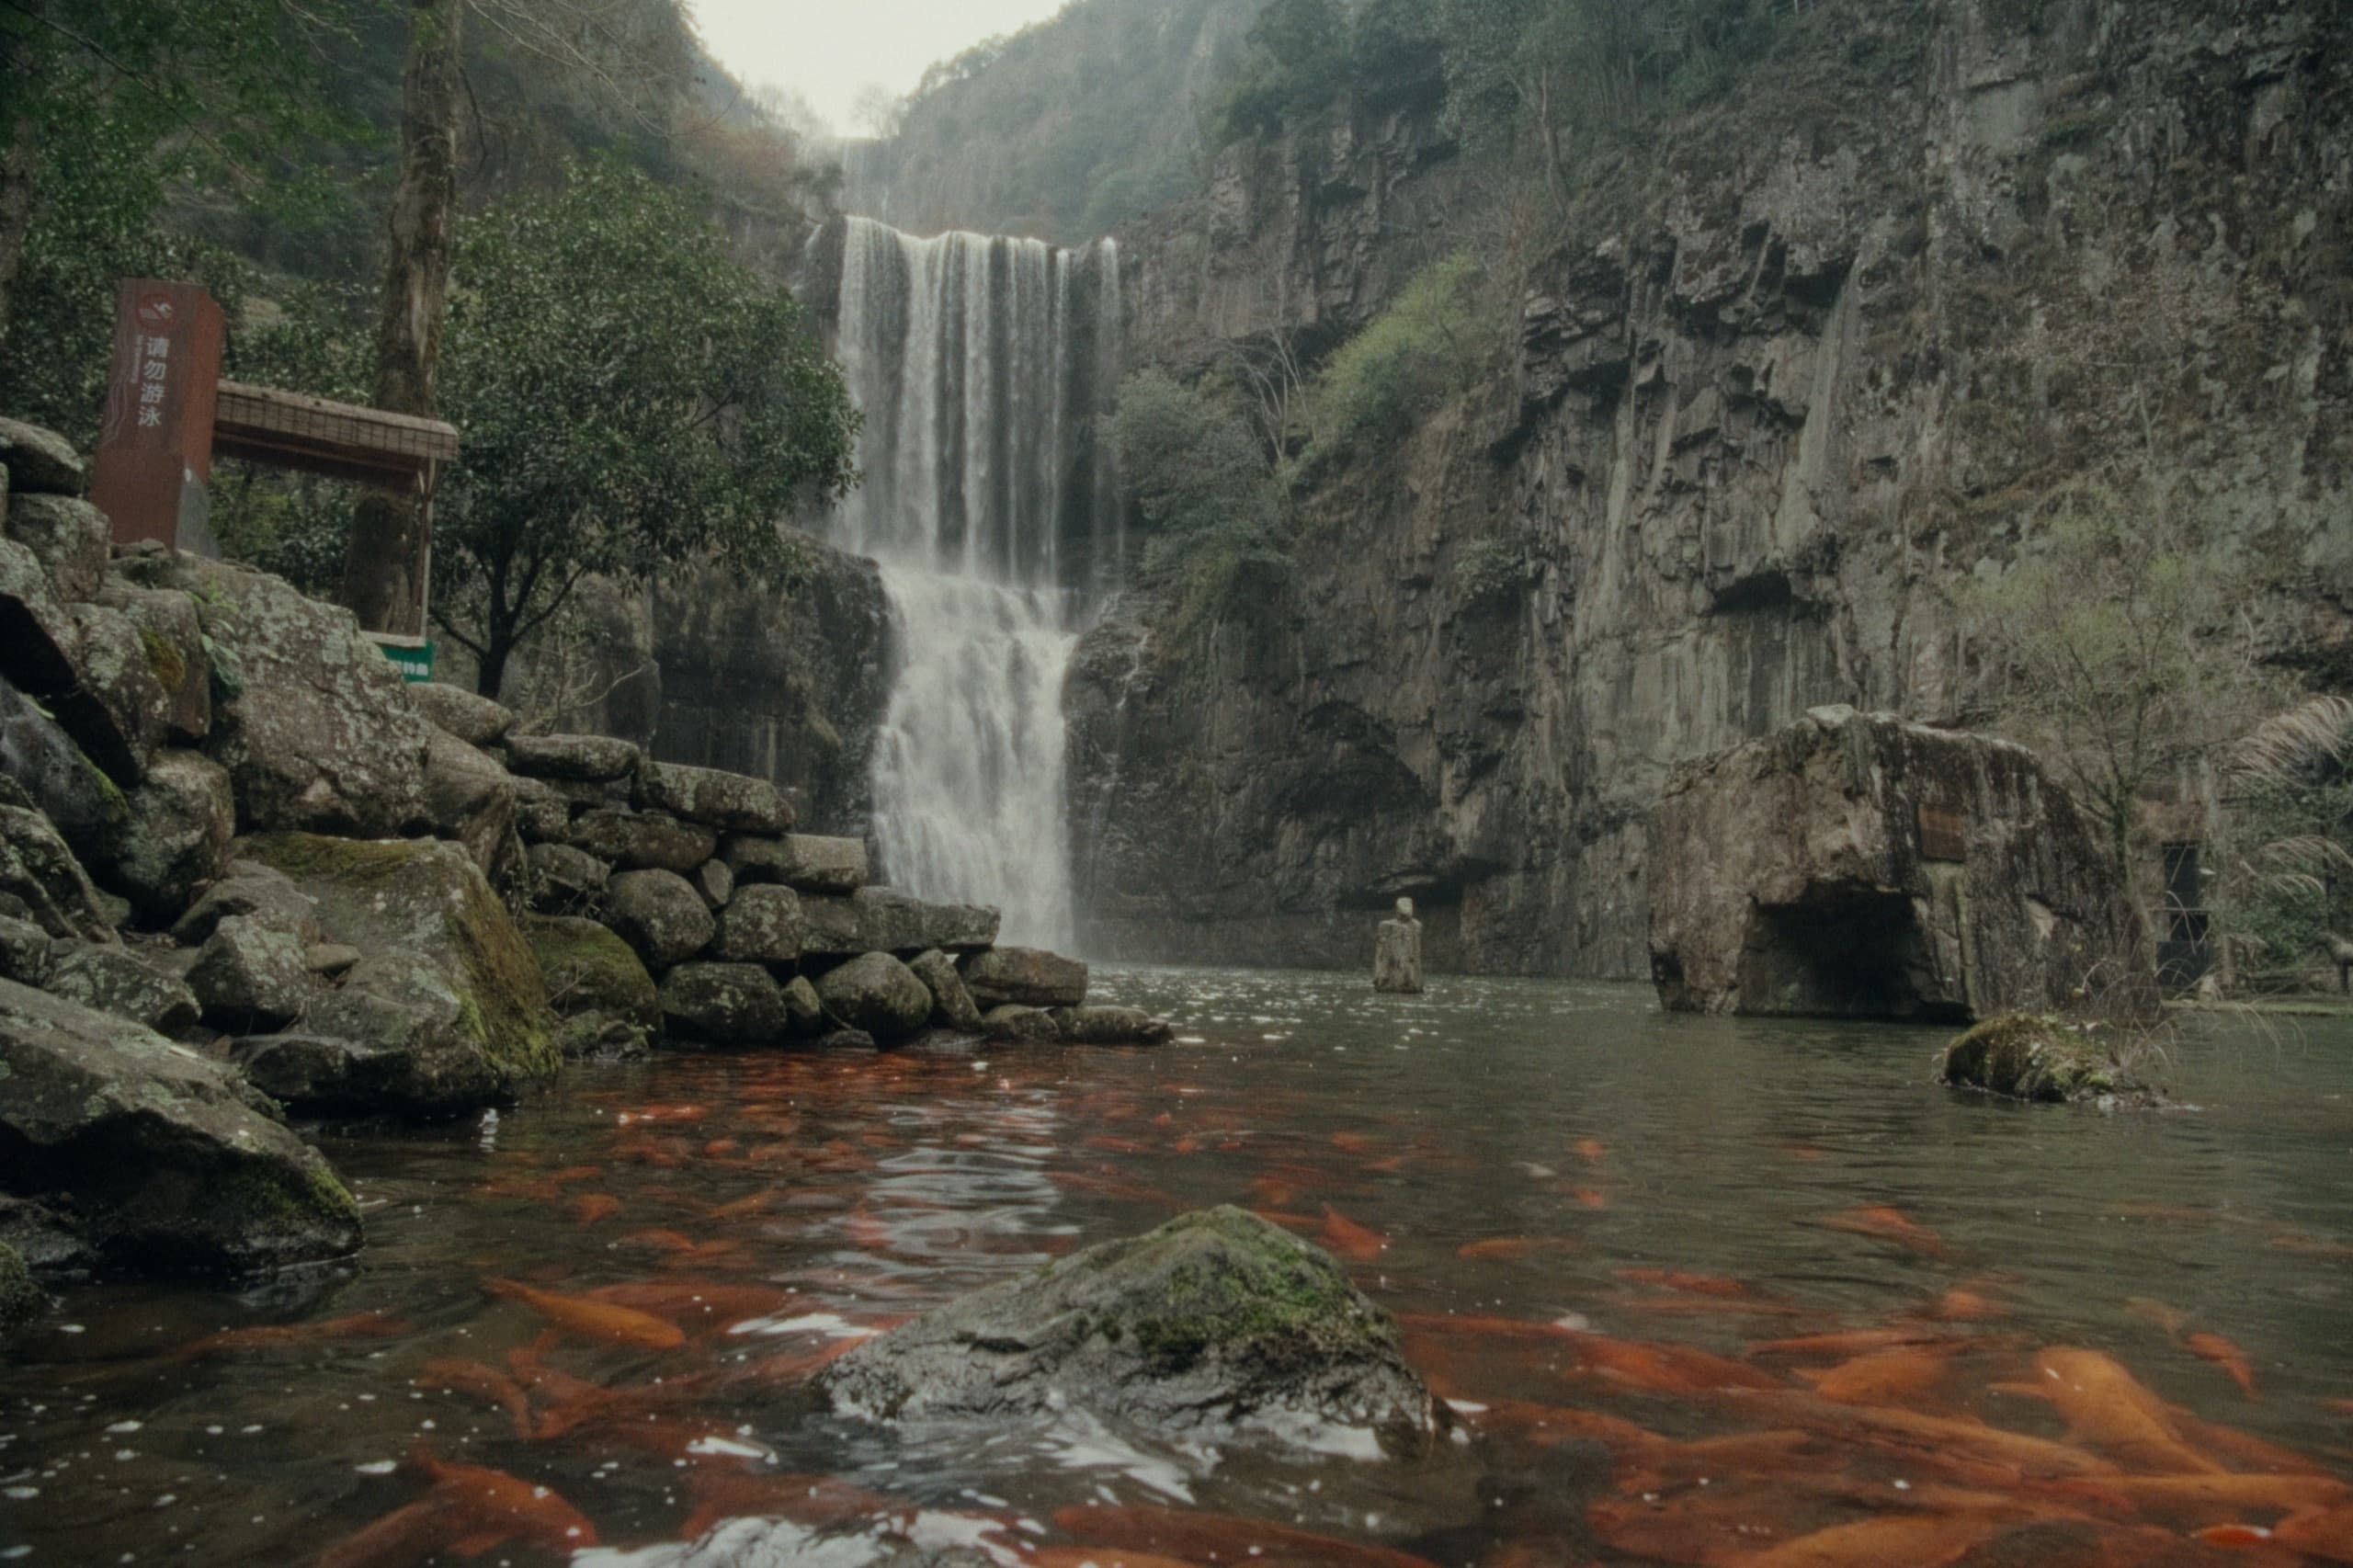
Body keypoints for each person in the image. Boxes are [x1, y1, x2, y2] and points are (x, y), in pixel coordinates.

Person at [1373, 897, 1424, 994]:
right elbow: (1380, 954)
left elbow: (1416, 952)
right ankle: (1387, 980)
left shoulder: (1416, 925)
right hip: (1391, 969)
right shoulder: (1386, 925)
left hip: (1409, 971)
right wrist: (1379, 975)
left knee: (1408, 972)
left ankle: (1407, 981)